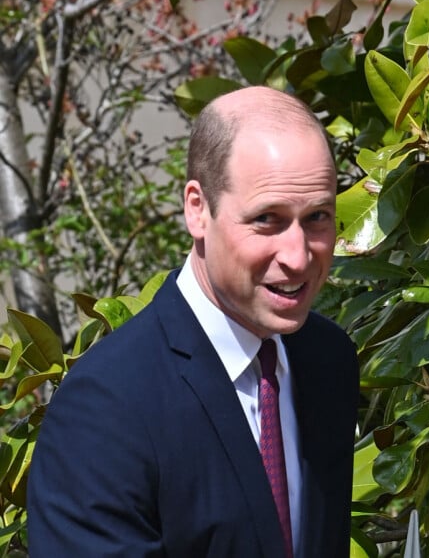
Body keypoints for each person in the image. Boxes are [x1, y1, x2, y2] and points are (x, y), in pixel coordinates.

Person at [27, 86, 359, 558]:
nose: (298, 255)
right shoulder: (105, 408)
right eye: (267, 219)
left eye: (318, 217)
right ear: (197, 209)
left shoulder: (329, 360)